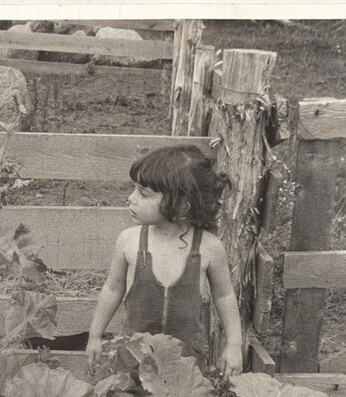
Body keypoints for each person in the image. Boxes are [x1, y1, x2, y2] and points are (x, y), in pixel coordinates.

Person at [85, 145, 244, 379]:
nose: (131, 198)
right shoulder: (129, 241)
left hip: (185, 366)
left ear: (181, 203)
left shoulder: (209, 248)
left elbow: (224, 296)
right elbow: (112, 289)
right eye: (134, 190)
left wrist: (233, 345)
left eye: (143, 193)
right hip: (133, 362)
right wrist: (95, 336)